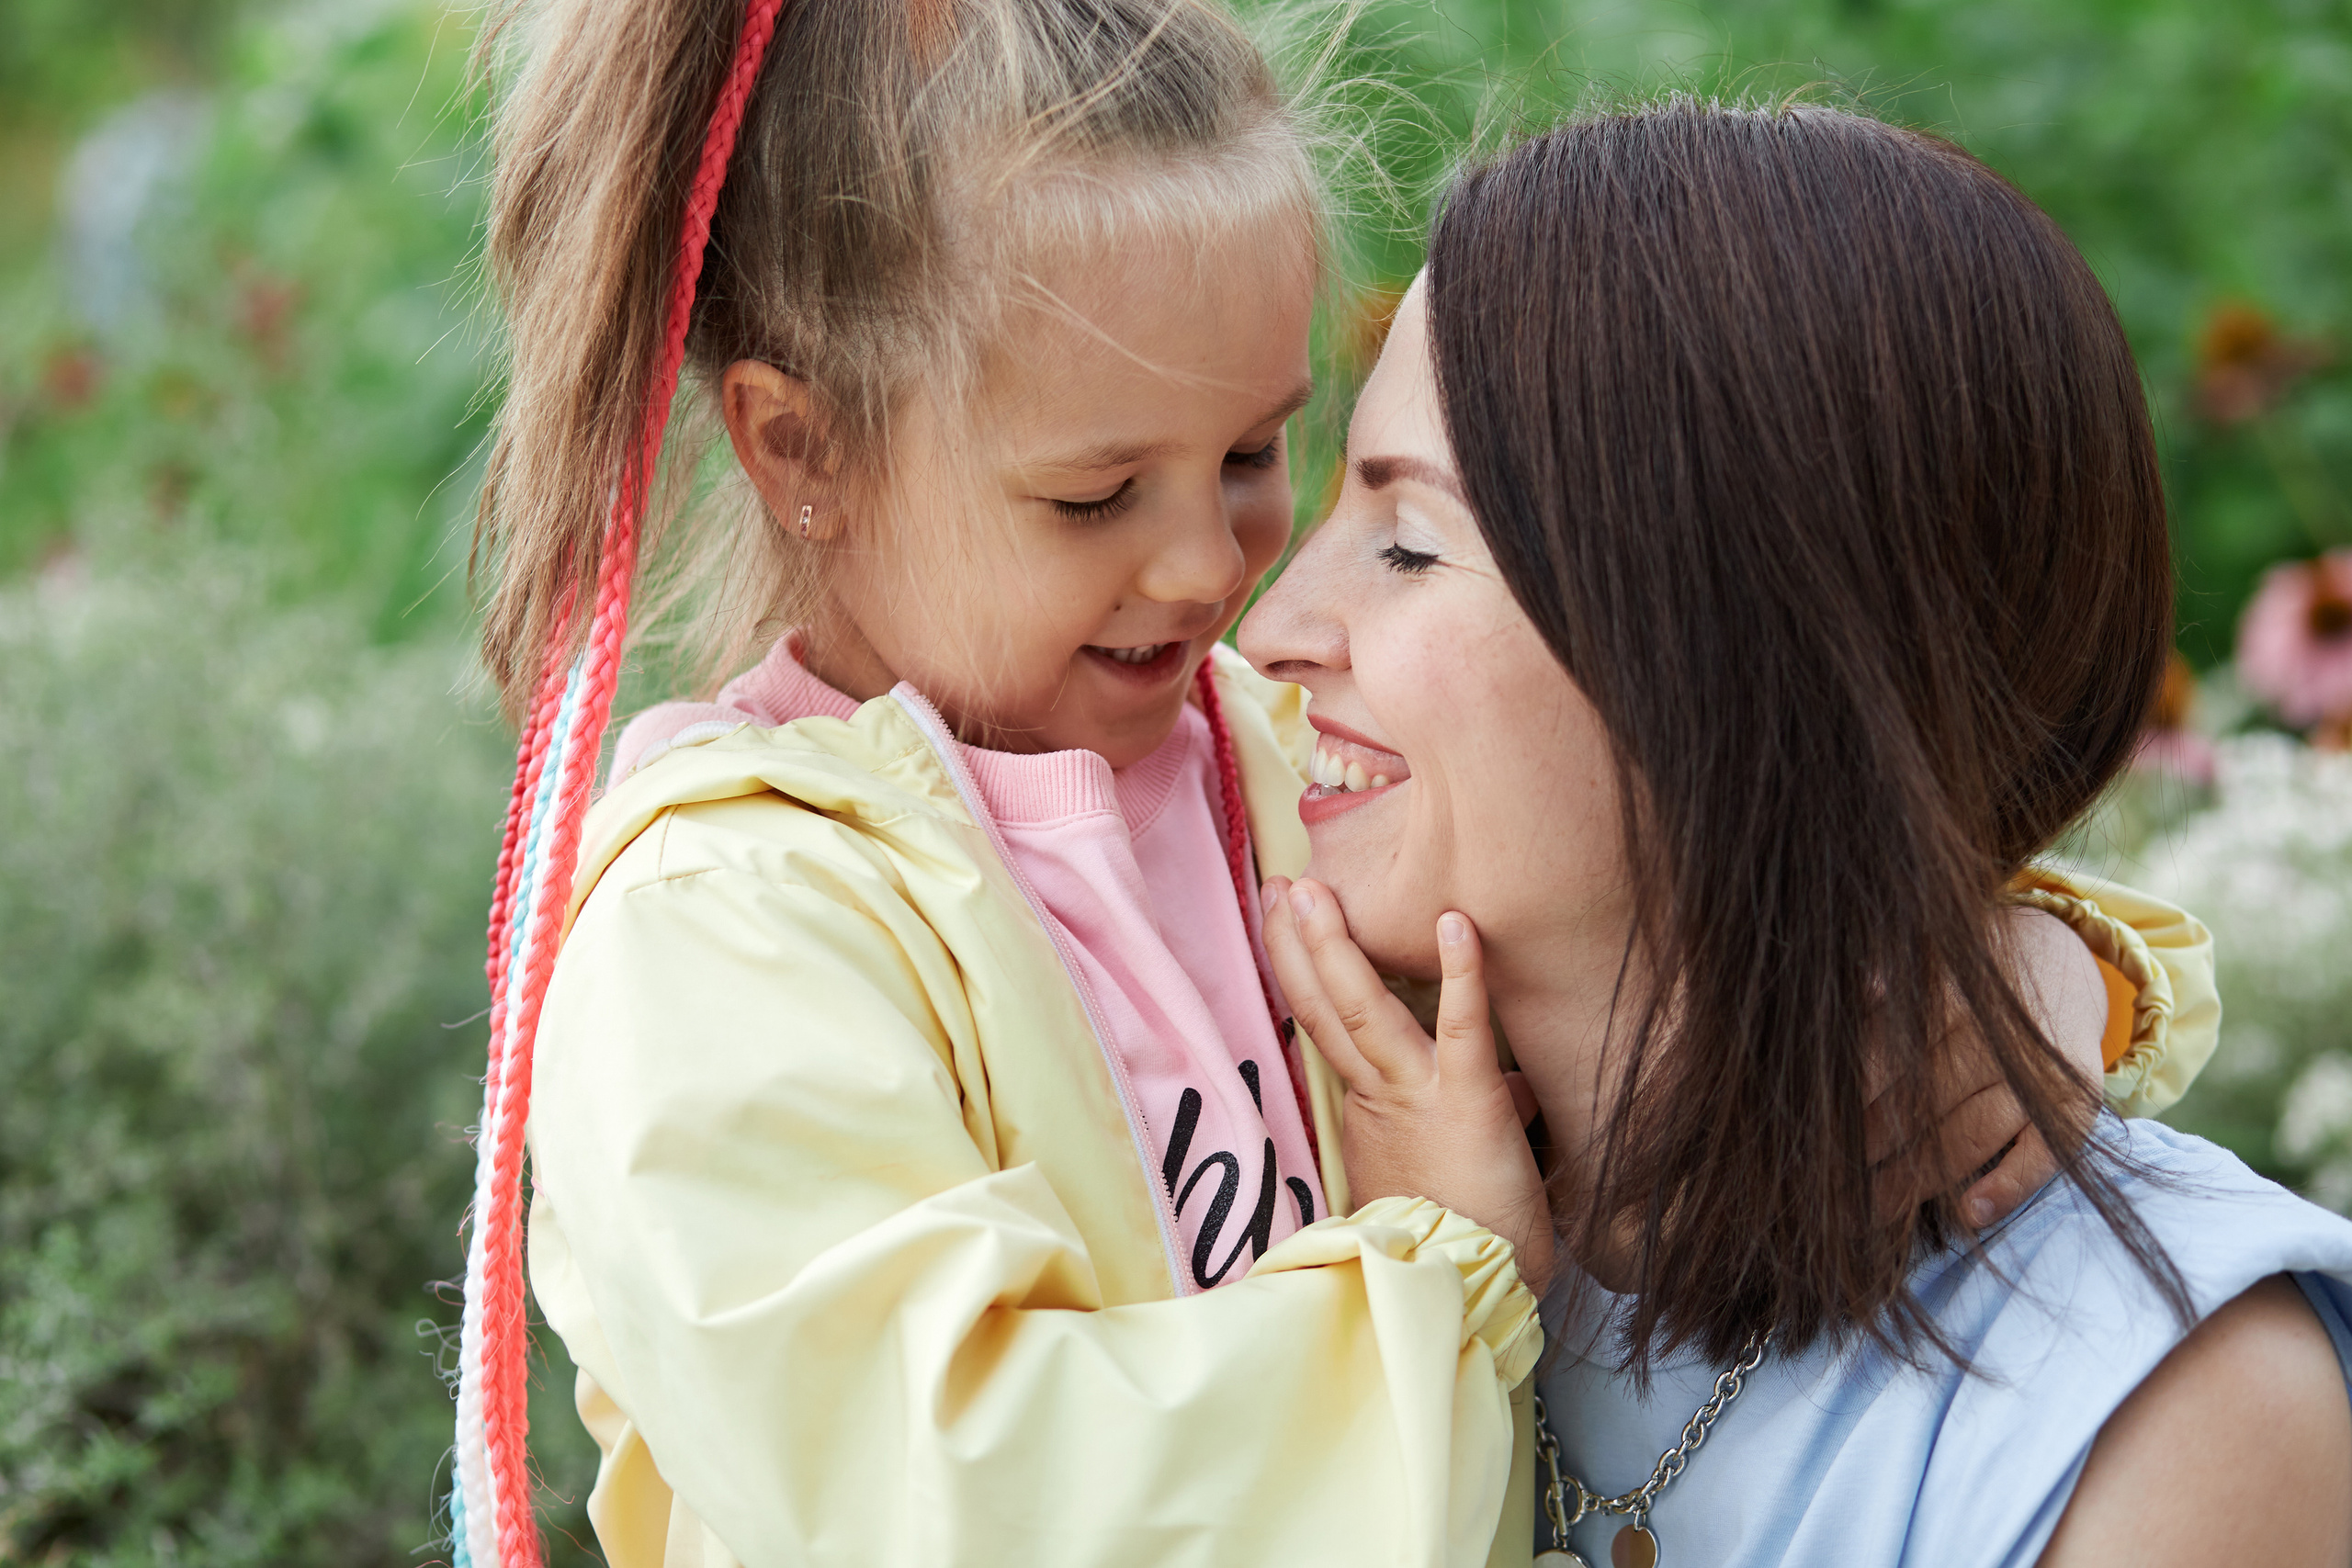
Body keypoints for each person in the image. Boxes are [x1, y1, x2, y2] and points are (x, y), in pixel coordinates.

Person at [449, 0, 2213, 1559]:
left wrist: (2012, 977)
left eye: (1249, 453)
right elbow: (966, 1499)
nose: (1208, 569)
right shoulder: (735, 926)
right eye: (1091, 497)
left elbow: (1696, 869)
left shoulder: (1252, 767)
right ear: (800, 449)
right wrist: (1439, 1271)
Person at [1246, 97, 2352, 1568]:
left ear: (1732, 653)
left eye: (1409, 543)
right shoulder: (1268, 1123)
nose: (1267, 629)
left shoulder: (2170, 1412)